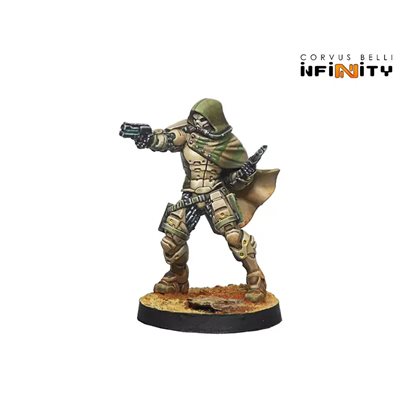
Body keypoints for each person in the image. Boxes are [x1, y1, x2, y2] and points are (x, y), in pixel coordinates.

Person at [120, 99, 279, 302]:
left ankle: (256, 279)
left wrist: (243, 175)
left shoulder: (228, 143)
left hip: (215, 194)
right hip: (190, 194)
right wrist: (149, 138)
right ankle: (177, 278)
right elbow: (167, 139)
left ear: (214, 121)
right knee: (172, 239)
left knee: (234, 237)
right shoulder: (187, 135)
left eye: (202, 119)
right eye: (194, 118)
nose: (196, 123)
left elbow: (232, 181)